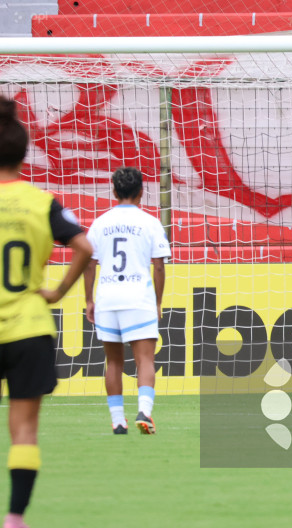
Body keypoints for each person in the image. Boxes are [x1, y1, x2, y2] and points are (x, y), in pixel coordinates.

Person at [0, 97, 93, 528]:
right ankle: (15, 519)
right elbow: (85, 248)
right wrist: (57, 291)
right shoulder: (42, 203)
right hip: (29, 328)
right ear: (23, 153)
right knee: (23, 431)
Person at [84, 167, 171, 435]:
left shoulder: (100, 222)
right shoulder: (151, 222)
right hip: (138, 297)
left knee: (113, 362)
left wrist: (89, 299)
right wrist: (157, 302)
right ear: (142, 192)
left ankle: (118, 421)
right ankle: (144, 411)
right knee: (144, 359)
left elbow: (88, 263)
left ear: (114, 191)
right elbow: (158, 267)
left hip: (108, 296)